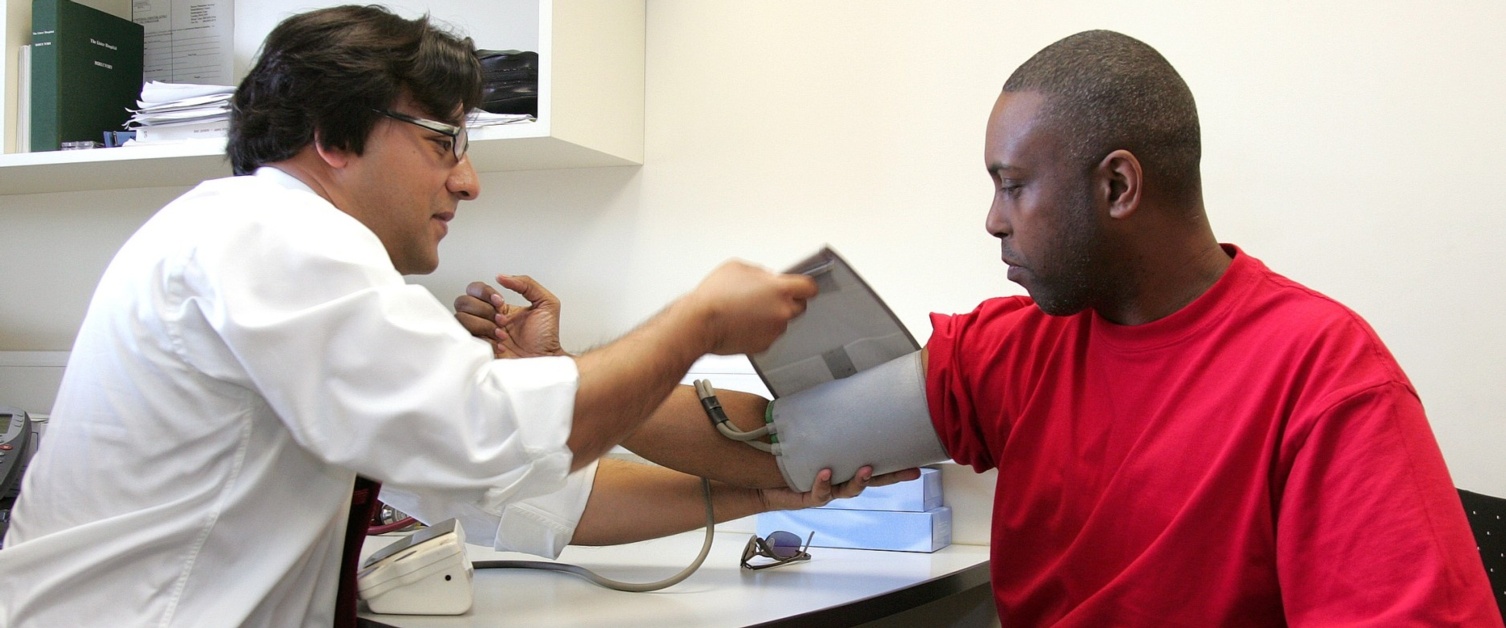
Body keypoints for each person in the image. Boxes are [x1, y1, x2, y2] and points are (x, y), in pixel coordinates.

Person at [460, 30, 1503, 625]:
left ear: (1119, 185)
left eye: (1013, 186)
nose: (992, 219)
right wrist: (576, 380)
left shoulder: (1322, 374)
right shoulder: (1022, 348)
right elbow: (787, 439)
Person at [0, 6, 908, 626]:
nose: (467, 180)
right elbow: (482, 440)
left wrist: (764, 496)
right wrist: (697, 323)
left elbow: (524, 495)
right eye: (443, 142)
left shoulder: (278, 257)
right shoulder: (267, 229)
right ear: (332, 136)